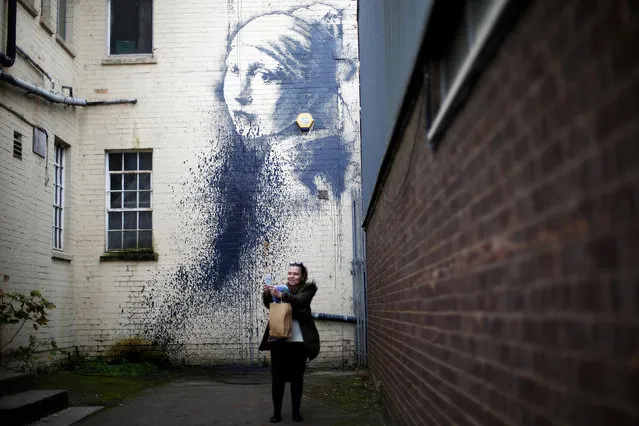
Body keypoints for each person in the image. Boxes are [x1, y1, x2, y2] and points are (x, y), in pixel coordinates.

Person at [259, 262, 320, 423]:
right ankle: (277, 413)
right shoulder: (281, 288)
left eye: (295, 274)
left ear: (302, 276)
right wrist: (267, 294)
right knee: (277, 378)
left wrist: (281, 296)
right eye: (290, 273)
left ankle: (295, 413)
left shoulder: (308, 289)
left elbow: (300, 301)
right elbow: (269, 305)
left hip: (299, 341)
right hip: (279, 339)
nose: (291, 276)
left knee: (297, 378)